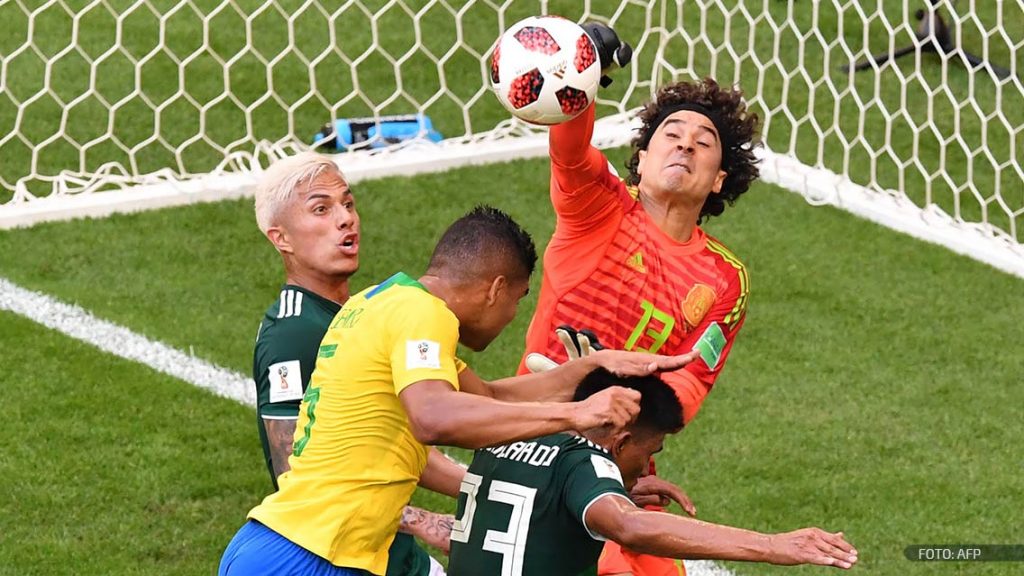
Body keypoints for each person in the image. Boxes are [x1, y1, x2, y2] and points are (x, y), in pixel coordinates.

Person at [221, 205, 698, 576]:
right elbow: (435, 419)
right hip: (308, 555)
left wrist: (591, 367)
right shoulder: (422, 315)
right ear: (495, 288)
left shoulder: (384, 300)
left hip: (304, 546)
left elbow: (488, 399)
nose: (511, 316)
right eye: (516, 300)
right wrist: (578, 416)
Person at [519, 24, 763, 576]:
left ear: (719, 178)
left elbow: (689, 385)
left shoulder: (726, 278)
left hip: (626, 463)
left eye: (704, 143)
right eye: (672, 134)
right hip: (541, 441)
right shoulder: (597, 207)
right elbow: (571, 150)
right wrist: (584, 73)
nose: (685, 144)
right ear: (643, 155)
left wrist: (627, 445)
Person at [250, 152, 458, 576]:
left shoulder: (361, 310)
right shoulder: (294, 334)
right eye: (321, 209)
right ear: (281, 239)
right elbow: (295, 472)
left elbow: (392, 449)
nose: (345, 219)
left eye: (348, 203)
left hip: (391, 557)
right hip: (343, 560)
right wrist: (424, 522)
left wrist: (483, 487)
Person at [448, 368, 858, 575]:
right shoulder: (584, 463)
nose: (646, 466)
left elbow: (536, 508)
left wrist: (613, 490)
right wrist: (772, 546)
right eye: (650, 450)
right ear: (621, 440)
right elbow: (630, 528)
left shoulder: (507, 434)